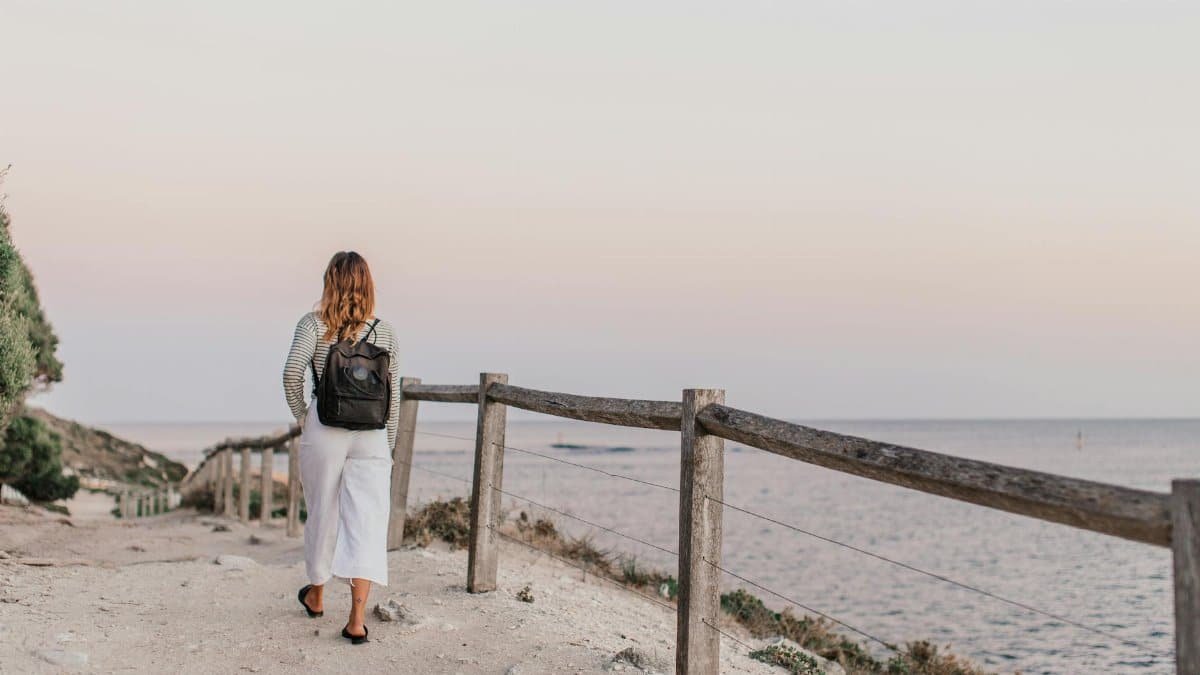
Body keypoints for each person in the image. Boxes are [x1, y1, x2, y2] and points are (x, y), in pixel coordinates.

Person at [282, 251, 400, 644]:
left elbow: (290, 374)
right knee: (365, 521)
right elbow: (393, 397)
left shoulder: (314, 325)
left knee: (322, 513)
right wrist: (389, 446)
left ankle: (316, 593)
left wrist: (305, 416)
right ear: (368, 285)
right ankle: (356, 619)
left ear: (329, 282)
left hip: (325, 429)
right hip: (371, 433)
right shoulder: (385, 333)